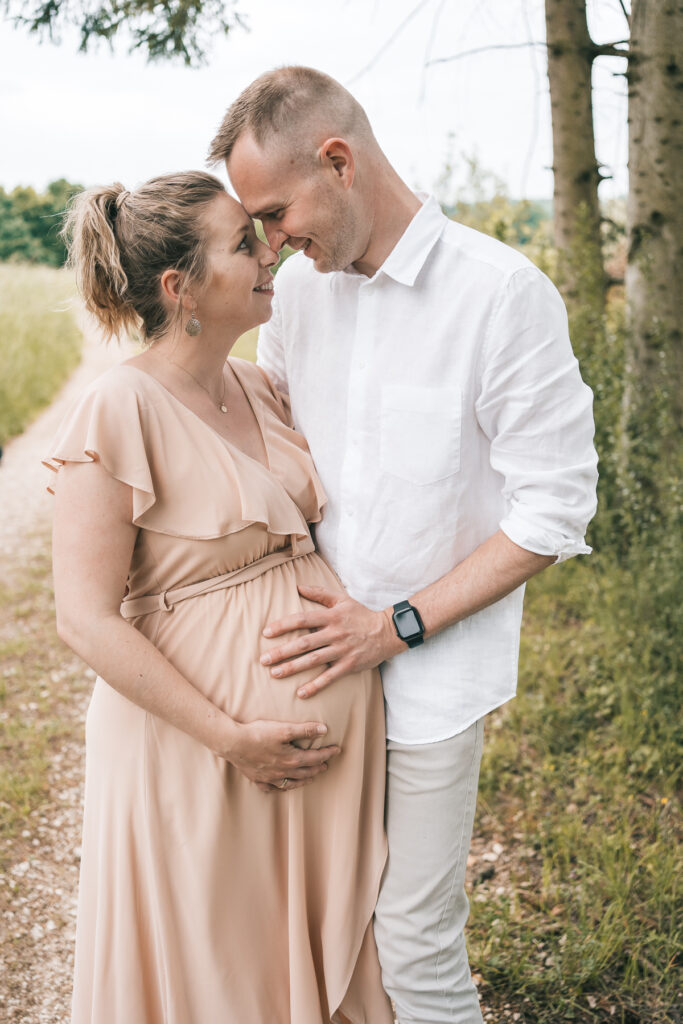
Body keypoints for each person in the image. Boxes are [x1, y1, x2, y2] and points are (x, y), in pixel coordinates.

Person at [209, 66, 599, 1024]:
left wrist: (397, 625)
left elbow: (553, 510)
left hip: (430, 676)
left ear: (337, 162)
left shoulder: (502, 294)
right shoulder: (298, 297)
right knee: (315, 924)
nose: (269, 241)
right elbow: (276, 449)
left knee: (414, 944)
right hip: (305, 671)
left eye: (274, 211)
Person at [45, 171, 394, 1024]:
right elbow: (83, 617)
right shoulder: (118, 407)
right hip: (196, 752)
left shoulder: (261, 386)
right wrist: (232, 736)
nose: (270, 248)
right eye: (243, 242)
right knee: (222, 971)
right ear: (180, 288)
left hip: (305, 757)